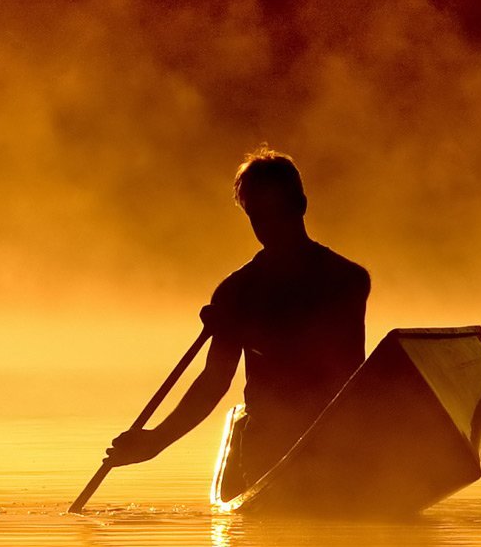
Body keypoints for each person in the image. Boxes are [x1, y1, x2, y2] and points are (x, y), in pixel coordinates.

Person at [105, 149, 369, 497]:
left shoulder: (346, 279)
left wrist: (240, 332)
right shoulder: (235, 292)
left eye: (277, 212)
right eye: (258, 216)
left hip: (337, 438)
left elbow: (334, 360)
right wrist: (157, 441)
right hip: (268, 443)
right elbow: (214, 381)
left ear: (301, 205)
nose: (269, 226)